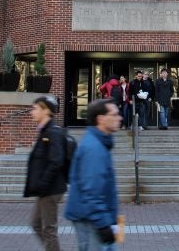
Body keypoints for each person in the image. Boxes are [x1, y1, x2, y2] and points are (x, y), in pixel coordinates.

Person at [64, 99, 122, 251]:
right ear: (101, 119)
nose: (120, 118)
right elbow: (91, 192)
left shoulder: (100, 143)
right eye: (115, 114)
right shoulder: (94, 148)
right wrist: (103, 224)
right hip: (91, 220)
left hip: (101, 218)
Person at [23, 96, 66, 251]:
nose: (32, 112)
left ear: (46, 111)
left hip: (50, 189)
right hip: (46, 189)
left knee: (49, 228)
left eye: (35, 108)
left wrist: (43, 184)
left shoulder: (52, 132)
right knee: (36, 223)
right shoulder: (45, 131)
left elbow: (57, 161)